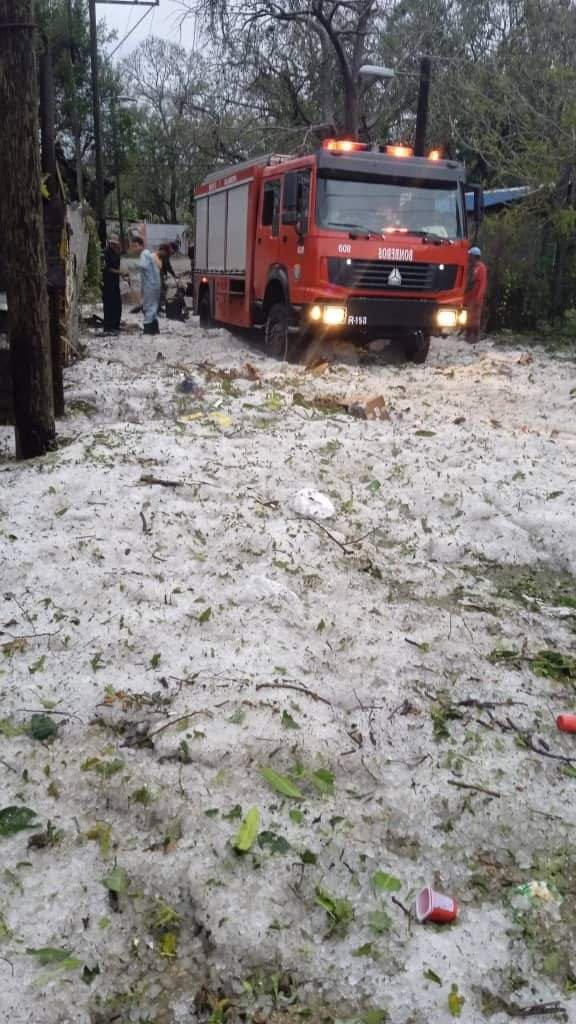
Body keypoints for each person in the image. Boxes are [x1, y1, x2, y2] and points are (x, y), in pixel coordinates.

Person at [131, 235, 161, 335]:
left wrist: (131, 266)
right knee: (153, 307)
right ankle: (154, 330)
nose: (134, 249)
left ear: (141, 246)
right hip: (154, 285)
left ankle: (148, 330)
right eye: (133, 246)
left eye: (135, 246)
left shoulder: (144, 254)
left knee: (148, 307)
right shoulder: (148, 253)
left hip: (150, 286)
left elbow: (143, 265)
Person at [464, 246, 488, 344]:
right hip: (469, 297)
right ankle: (468, 335)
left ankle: (475, 336)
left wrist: (478, 297)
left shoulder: (481, 267)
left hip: (476, 297)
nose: (469, 257)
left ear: (474, 256)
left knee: (475, 317)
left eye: (470, 255)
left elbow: (482, 283)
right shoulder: (472, 267)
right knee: (468, 317)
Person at [102, 235, 124, 334]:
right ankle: (108, 326)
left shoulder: (117, 252)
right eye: (113, 243)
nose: (114, 245)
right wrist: (120, 272)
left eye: (116, 243)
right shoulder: (105, 253)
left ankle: (116, 325)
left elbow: (117, 267)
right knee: (108, 305)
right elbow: (106, 269)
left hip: (115, 282)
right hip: (107, 282)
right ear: (110, 243)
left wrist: (122, 274)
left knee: (117, 304)